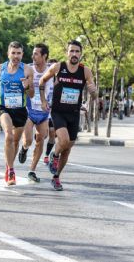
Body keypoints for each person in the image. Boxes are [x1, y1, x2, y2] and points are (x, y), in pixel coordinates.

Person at [39, 40, 97, 191]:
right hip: (58, 111)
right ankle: (54, 155)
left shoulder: (85, 71)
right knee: (63, 141)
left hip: (74, 113)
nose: (74, 54)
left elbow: (94, 93)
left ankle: (56, 177)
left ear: (81, 54)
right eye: (71, 51)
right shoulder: (58, 67)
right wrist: (43, 100)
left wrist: (93, 92)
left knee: (68, 148)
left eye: (77, 51)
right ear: (67, 53)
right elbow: (42, 80)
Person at [0, 41, 34, 186]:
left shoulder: (27, 70)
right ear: (8, 54)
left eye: (19, 53)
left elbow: (32, 94)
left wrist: (27, 87)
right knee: (8, 135)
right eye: (13, 53)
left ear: (22, 54)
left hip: (20, 110)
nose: (16, 56)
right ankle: (11, 171)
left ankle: (9, 165)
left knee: (15, 141)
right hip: (4, 107)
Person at [18, 44, 53, 182]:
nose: (33, 56)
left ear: (44, 56)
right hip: (29, 110)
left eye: (36, 54)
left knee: (40, 140)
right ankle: (24, 148)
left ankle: (32, 170)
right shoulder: (28, 69)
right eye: (33, 53)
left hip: (44, 112)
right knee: (28, 140)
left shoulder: (51, 71)